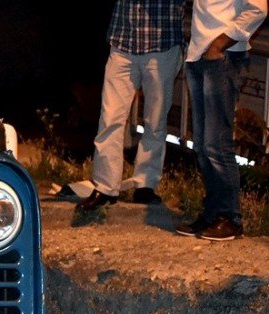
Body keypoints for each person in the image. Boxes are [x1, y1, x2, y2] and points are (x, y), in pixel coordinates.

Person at [78, 0, 185, 212]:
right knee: (109, 118)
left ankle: (145, 185)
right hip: (123, 42)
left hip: (161, 45)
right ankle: (105, 187)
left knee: (155, 121)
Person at [175, 0, 267, 240]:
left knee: (217, 144)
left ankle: (230, 218)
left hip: (221, 59)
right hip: (198, 56)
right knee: (203, 145)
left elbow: (259, 8)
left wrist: (219, 43)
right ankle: (213, 214)